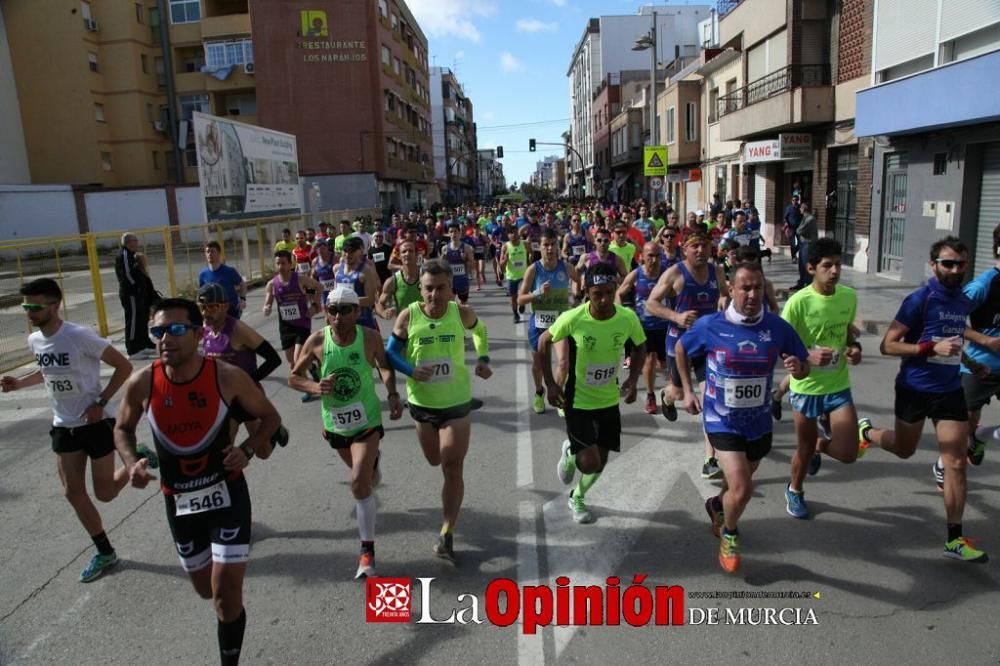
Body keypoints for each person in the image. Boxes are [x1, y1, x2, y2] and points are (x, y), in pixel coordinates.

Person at [114, 298, 282, 666]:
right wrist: (131, 463)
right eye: (158, 331)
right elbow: (122, 428)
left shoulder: (226, 376)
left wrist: (249, 449)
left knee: (225, 595)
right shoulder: (143, 382)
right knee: (206, 590)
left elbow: (270, 417)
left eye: (175, 330)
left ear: (197, 333)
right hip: (179, 502)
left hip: (228, 494)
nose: (165, 339)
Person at [2, 278, 148, 583]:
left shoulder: (79, 336)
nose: (29, 312)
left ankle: (138, 459)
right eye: (25, 306)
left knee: (105, 493)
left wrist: (101, 401)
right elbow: (47, 369)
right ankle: (105, 551)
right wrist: (19, 383)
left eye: (35, 306)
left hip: (96, 423)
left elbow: (124, 366)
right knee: (72, 492)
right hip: (63, 425)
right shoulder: (35, 340)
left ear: (55, 305)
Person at [858, 237, 987, 562]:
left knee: (956, 461)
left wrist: (973, 364)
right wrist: (928, 349)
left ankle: (954, 538)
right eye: (947, 263)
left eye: (960, 263)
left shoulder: (961, 302)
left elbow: (954, 339)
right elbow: (888, 345)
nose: (954, 269)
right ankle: (867, 433)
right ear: (934, 265)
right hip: (915, 388)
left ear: (967, 265)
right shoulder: (920, 299)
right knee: (904, 449)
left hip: (949, 391)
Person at [676, 262, 809, 572]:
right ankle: (730, 533)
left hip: (758, 423)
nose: (752, 294)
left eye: (758, 287)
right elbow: (682, 349)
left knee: (738, 485)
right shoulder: (712, 325)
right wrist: (687, 391)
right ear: (731, 290)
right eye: (745, 287)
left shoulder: (777, 327)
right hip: (721, 419)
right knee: (743, 487)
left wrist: (798, 368)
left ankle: (716, 507)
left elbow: (803, 365)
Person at [289, 287, 403, 579]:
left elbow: (385, 367)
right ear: (326, 312)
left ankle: (367, 553)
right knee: (363, 477)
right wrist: (316, 387)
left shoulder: (370, 338)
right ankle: (371, 468)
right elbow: (294, 377)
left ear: (357, 312)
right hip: (336, 424)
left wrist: (391, 394)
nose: (338, 316)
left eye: (345, 310)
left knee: (357, 482)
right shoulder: (317, 340)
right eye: (332, 310)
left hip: (366, 421)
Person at [385, 259, 492, 563]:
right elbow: (391, 351)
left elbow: (480, 333)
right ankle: (447, 523)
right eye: (429, 289)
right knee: (434, 459)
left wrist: (483, 359)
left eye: (441, 288)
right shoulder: (409, 316)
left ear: (450, 288)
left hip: (457, 403)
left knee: (451, 464)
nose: (435, 295)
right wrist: (411, 369)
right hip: (422, 404)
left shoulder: (461, 313)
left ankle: (447, 530)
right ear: (420, 290)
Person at [541, 262, 646, 524]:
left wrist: (633, 379)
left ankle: (577, 495)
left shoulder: (627, 318)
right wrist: (551, 385)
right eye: (597, 293)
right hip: (578, 400)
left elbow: (641, 347)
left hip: (609, 401)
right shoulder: (574, 317)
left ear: (615, 290)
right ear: (587, 291)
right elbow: (543, 342)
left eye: (609, 292)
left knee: (600, 462)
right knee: (587, 462)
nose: (604, 299)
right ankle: (570, 453)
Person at [779, 238, 865, 519]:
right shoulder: (797, 303)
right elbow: (781, 345)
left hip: (838, 385)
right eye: (827, 266)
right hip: (805, 387)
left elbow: (848, 334)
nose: (835, 271)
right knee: (802, 451)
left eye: (838, 265)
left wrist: (854, 349)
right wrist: (807, 357)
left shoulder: (848, 296)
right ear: (811, 268)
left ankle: (819, 445)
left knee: (849, 453)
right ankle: (795, 490)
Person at [645, 232, 729, 480]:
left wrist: (724, 301)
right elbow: (651, 303)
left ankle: (710, 459)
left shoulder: (718, 272)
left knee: (709, 398)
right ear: (685, 251)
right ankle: (666, 396)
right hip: (679, 341)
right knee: (679, 391)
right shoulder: (675, 273)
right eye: (695, 246)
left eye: (704, 245)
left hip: (707, 342)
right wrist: (677, 317)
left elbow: (724, 293)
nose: (701, 250)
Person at [931, 223, 1000, 484]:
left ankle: (980, 437)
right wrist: (986, 340)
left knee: (971, 433)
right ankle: (943, 463)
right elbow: (949, 319)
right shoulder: (984, 285)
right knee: (962, 432)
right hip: (980, 367)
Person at [198, 283, 288, 457]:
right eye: (202, 307)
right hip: (223, 400)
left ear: (224, 306)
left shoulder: (238, 330)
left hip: (246, 398)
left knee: (263, 453)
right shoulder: (205, 330)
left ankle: (273, 429)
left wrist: (249, 382)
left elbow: (273, 359)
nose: (205, 312)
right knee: (223, 450)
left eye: (211, 307)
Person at [518, 229, 579, 414]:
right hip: (538, 324)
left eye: (553, 244)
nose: (550, 248)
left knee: (563, 363)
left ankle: (558, 394)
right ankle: (539, 392)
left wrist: (576, 296)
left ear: (557, 246)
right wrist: (537, 293)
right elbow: (519, 299)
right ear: (540, 247)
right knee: (538, 365)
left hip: (559, 323)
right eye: (546, 245)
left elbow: (578, 280)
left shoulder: (566, 267)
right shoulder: (533, 269)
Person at [617, 241, 670, 415]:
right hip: (644, 326)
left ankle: (666, 392)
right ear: (642, 257)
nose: (654, 260)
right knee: (650, 359)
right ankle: (650, 396)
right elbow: (619, 293)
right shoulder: (636, 274)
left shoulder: (667, 273)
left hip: (665, 325)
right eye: (650, 256)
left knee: (664, 364)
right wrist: (622, 313)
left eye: (657, 256)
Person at [263, 250, 322, 374]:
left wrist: (314, 306)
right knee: (292, 363)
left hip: (302, 324)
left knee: (298, 359)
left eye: (283, 263)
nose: (281, 267)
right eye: (278, 263)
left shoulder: (300, 279)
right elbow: (268, 303)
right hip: (285, 327)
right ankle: (312, 368)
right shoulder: (272, 284)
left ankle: (309, 388)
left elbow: (318, 288)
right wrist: (266, 308)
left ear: (290, 264)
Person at [115, 233, 157, 359]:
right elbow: (127, 274)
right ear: (129, 242)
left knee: (141, 319)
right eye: (135, 240)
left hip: (138, 294)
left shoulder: (131, 255)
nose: (137, 243)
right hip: (131, 294)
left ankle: (143, 344)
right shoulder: (124, 255)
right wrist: (136, 287)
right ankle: (133, 350)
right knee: (133, 321)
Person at [335, 237, 380, 329]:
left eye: (351, 251)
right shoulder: (337, 269)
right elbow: (336, 294)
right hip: (343, 321)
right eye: (345, 251)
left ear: (358, 252)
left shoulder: (366, 271)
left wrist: (347, 300)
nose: (348, 254)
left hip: (363, 321)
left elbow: (371, 300)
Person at [199, 241, 246, 321]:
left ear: (219, 253)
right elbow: (202, 294)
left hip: (231, 311)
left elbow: (242, 285)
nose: (209, 254)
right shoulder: (203, 274)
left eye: (212, 251)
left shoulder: (229, 271)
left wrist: (242, 299)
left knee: (229, 332)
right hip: (213, 313)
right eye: (207, 252)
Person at [377, 240, 422, 320]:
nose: (407, 254)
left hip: (424, 326)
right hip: (403, 328)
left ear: (416, 255)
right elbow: (379, 303)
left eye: (411, 251)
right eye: (404, 251)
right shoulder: (392, 281)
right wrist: (383, 313)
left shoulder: (426, 277)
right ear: (399, 256)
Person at [499, 228, 530, 323]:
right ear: (508, 235)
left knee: (522, 293)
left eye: (515, 232)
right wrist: (505, 259)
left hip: (523, 275)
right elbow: (501, 263)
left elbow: (531, 253)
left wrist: (529, 262)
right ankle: (515, 314)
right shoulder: (505, 247)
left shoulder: (524, 244)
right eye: (511, 233)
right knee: (513, 297)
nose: (513, 234)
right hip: (511, 276)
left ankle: (522, 303)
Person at [441, 222, 476, 304]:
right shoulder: (445, 248)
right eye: (451, 232)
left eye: (455, 231)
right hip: (450, 281)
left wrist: (466, 259)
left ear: (460, 232)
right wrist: (443, 257)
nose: (453, 234)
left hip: (462, 281)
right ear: (448, 234)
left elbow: (472, 265)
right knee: (450, 305)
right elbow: (442, 266)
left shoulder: (467, 248)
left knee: (462, 305)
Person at [792, 203, 818, 290]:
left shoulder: (810, 219)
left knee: (806, 264)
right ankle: (801, 282)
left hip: (808, 244)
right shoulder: (804, 218)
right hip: (803, 244)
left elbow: (799, 230)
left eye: (801, 208)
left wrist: (798, 230)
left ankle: (808, 283)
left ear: (804, 209)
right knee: (801, 264)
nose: (800, 209)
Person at [783, 195, 802, 260]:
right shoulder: (789, 208)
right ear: (791, 201)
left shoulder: (800, 208)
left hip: (799, 228)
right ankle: (793, 257)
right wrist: (786, 223)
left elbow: (802, 217)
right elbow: (785, 218)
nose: (794, 201)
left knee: (800, 243)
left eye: (796, 200)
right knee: (792, 244)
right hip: (791, 228)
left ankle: (794, 253)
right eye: (793, 200)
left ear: (798, 200)